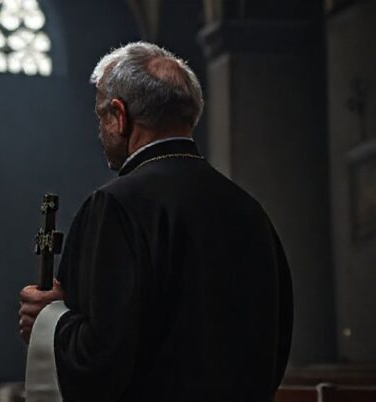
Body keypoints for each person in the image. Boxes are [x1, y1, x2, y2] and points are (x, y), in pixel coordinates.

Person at [18, 42, 293, 402]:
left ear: (120, 115)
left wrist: (48, 320)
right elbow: (277, 338)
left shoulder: (115, 205)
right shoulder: (249, 209)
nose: (101, 129)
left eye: (101, 115)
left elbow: (101, 360)